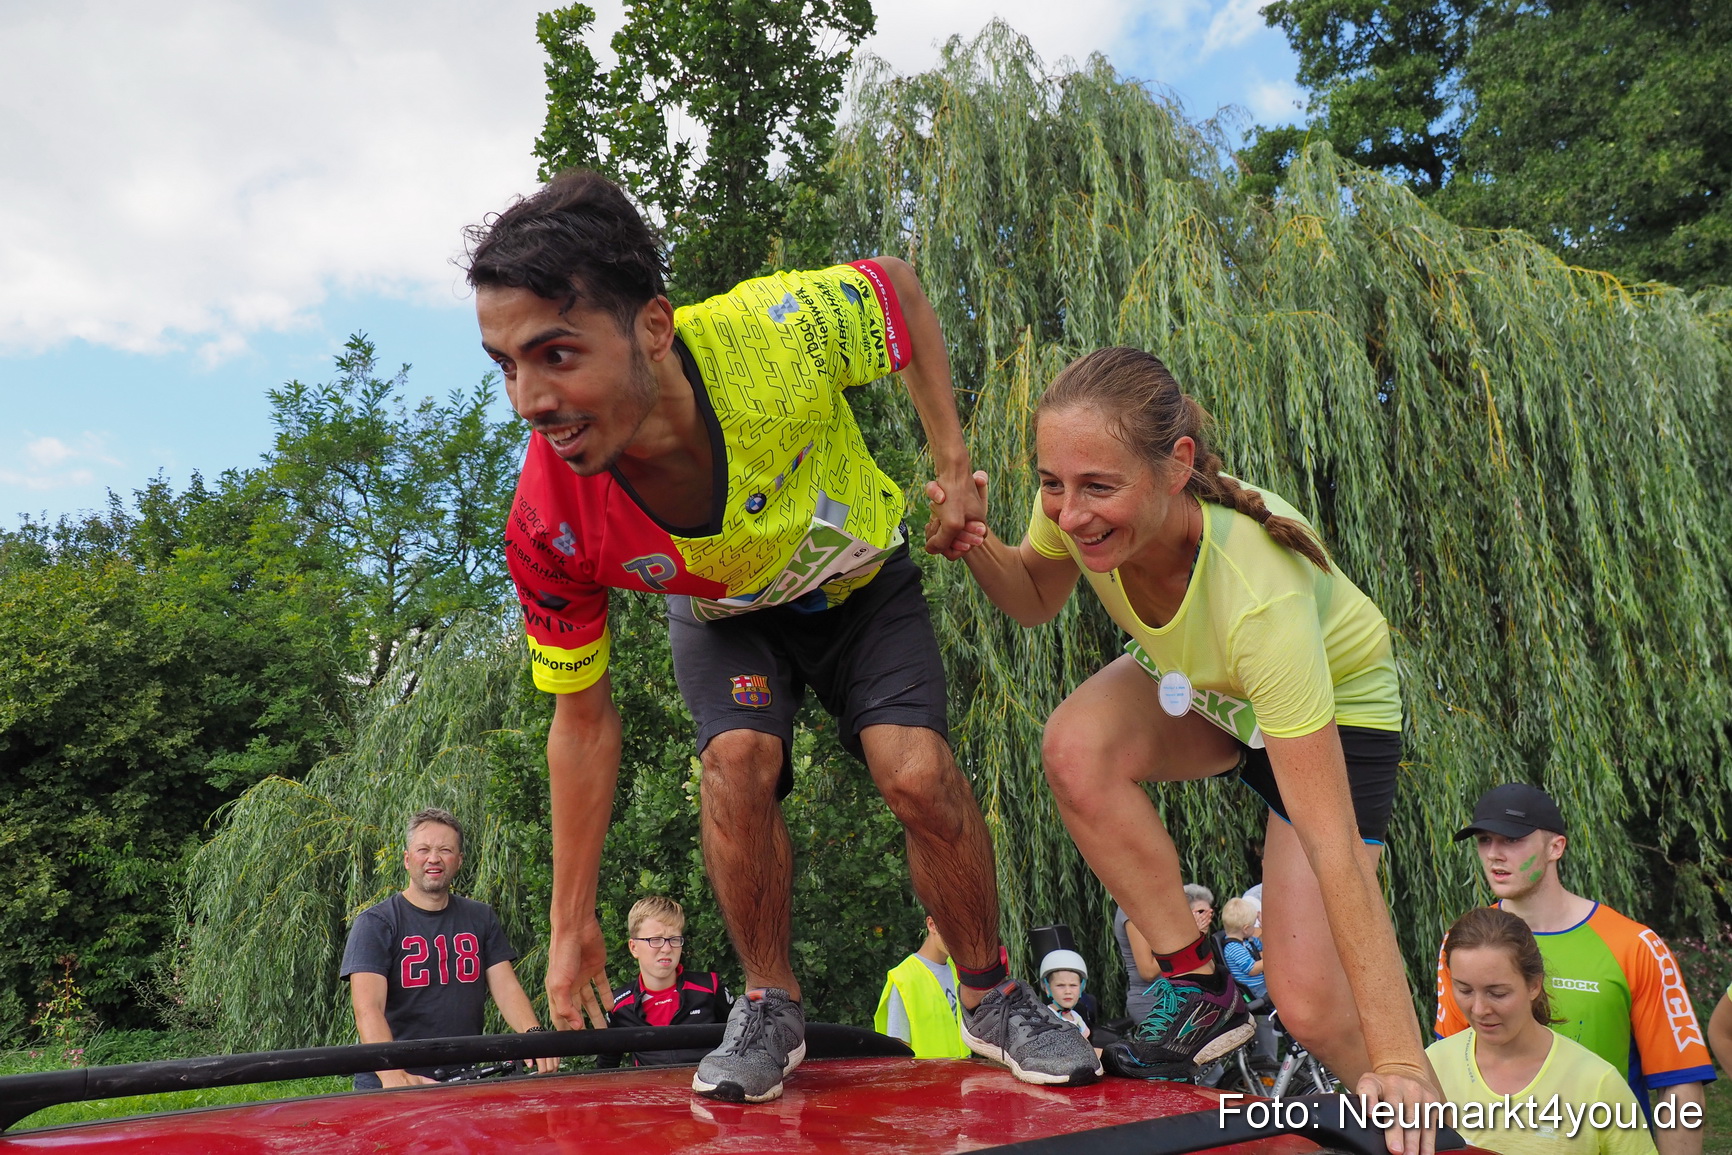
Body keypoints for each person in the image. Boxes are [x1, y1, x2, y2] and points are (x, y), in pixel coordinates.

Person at [464, 170, 1098, 1103]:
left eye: (556, 355)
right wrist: (570, 921)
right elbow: (584, 721)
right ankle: (770, 1000)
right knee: (737, 763)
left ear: (652, 326)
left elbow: (900, 289)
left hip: (857, 583)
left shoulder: (775, 334)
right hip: (729, 616)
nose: (529, 399)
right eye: (506, 364)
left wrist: (954, 468)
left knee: (915, 769)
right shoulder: (549, 519)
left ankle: (992, 994)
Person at [927, 346, 1437, 1153]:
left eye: (1097, 487)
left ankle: (1431, 1117)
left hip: (1331, 716)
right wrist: (976, 539)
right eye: (1052, 483)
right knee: (1075, 747)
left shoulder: (1259, 594)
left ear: (1177, 467)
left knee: (1307, 1004)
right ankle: (1197, 982)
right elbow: (1032, 596)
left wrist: (1402, 1059)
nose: (1069, 513)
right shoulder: (1073, 500)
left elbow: (1333, 847)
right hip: (1211, 694)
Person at [1435, 784, 1712, 1155]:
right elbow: (1447, 1067)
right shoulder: (1462, 944)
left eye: (1512, 840)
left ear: (1556, 847)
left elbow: (1679, 1085)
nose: (1494, 855)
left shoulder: (1635, 946)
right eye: (1484, 840)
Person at [339, 809, 557, 1089]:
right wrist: (392, 1073)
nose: (434, 858)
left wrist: (534, 1035)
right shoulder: (376, 923)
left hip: (463, 1078)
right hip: (393, 1079)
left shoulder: (480, 917)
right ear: (407, 860)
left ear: (459, 861)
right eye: (423, 849)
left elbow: (505, 987)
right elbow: (368, 1007)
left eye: (445, 850)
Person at [1429, 906, 1657, 1155]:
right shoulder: (1430, 1066)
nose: (1479, 1009)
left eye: (1498, 993)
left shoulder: (1598, 1083)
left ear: (1534, 985)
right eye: (1464, 990)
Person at [597, 896, 729, 1068]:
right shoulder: (619, 1006)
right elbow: (606, 1067)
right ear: (633, 947)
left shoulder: (709, 988)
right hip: (650, 1093)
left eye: (674, 939)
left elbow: (741, 1040)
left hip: (707, 1090)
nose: (666, 949)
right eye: (655, 940)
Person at [874, 915, 971, 1058]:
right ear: (932, 925)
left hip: (962, 1077)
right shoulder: (904, 978)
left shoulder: (959, 973)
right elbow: (897, 1054)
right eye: (954, 930)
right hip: (925, 1079)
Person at [1038, 949, 1096, 1041]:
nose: (1068, 991)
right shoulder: (1044, 1020)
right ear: (1047, 988)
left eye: (1073, 985)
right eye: (1060, 985)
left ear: (1081, 987)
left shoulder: (1077, 1018)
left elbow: (1088, 1048)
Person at [1220, 897, 1267, 1002]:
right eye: (1253, 925)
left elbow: (1263, 947)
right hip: (1255, 989)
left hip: (1261, 984)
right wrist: (1272, 960)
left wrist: (1265, 929)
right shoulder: (1234, 947)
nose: (1255, 929)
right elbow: (1252, 969)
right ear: (1246, 929)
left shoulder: (1247, 941)